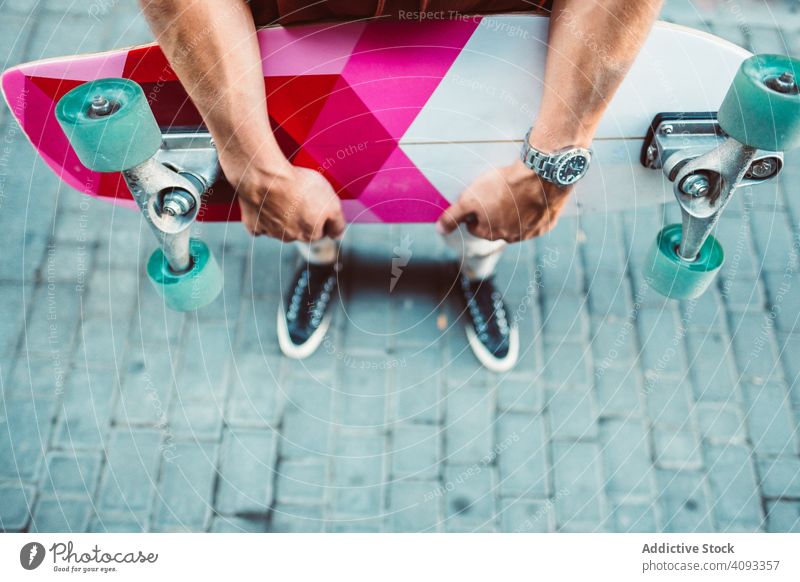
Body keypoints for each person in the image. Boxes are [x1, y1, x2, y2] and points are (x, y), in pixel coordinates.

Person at [140, 0, 662, 371]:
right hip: (302, 46)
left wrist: (550, 162)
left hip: (503, 52)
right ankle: (321, 259)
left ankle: (476, 269)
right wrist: (255, 166)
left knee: (496, 188)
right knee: (302, 190)